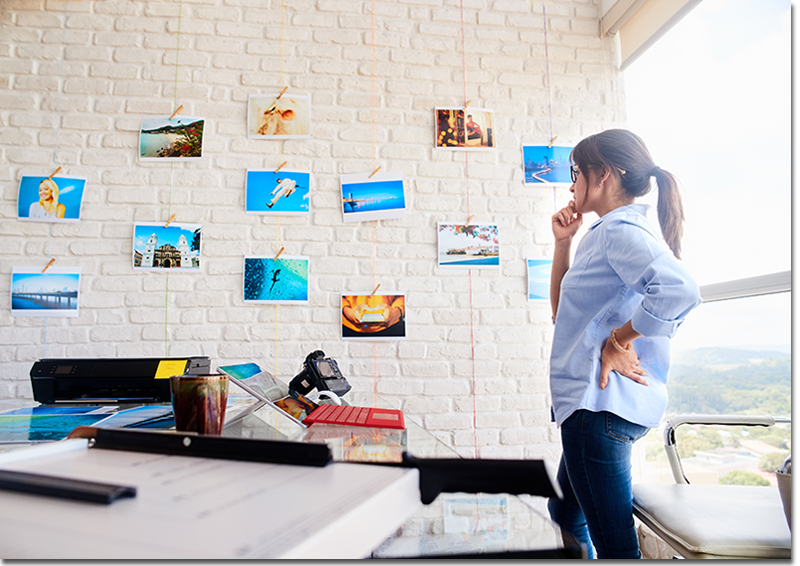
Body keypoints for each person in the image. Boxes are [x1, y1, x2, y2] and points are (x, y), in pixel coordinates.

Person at [547, 129, 701, 559]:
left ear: (604, 175)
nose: (571, 183)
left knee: (616, 547)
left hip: (598, 412)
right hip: (598, 408)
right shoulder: (604, 233)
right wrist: (563, 245)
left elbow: (680, 290)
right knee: (565, 511)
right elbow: (563, 316)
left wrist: (619, 338)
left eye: (575, 172)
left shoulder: (619, 231)